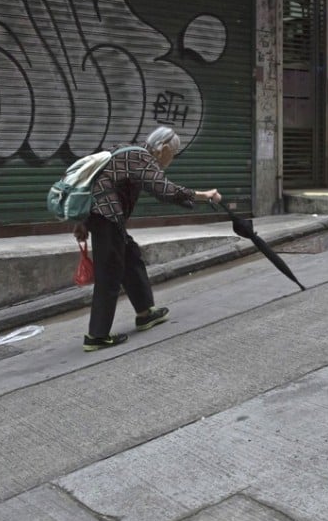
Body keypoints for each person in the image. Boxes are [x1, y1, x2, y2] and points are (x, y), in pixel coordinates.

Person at [73, 126, 221, 352]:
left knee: (130, 256)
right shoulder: (142, 158)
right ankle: (97, 335)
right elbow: (164, 190)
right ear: (162, 149)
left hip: (102, 216)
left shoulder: (127, 151)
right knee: (109, 273)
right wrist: (203, 195)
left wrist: (82, 221)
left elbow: (93, 182)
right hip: (106, 216)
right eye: (173, 153)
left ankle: (144, 313)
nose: (172, 159)